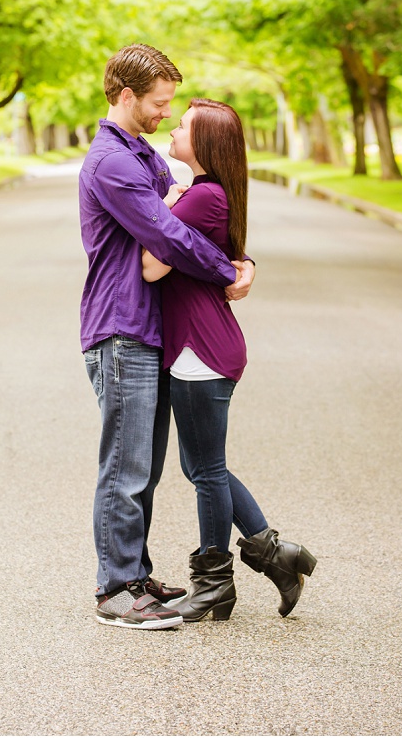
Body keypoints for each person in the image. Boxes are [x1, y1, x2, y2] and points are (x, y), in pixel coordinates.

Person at [79, 44, 256, 630]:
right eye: (159, 104)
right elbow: (169, 240)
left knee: (145, 468)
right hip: (121, 325)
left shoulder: (141, 156)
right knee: (125, 468)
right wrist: (230, 270)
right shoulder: (113, 163)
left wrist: (238, 256)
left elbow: (191, 220)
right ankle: (114, 591)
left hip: (150, 327)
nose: (164, 114)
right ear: (126, 96)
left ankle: (135, 574)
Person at [141, 98, 316, 623]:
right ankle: (276, 557)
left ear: (207, 143)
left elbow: (152, 266)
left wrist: (169, 205)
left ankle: (215, 582)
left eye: (183, 126)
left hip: (201, 348)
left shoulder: (203, 197)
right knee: (202, 466)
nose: (173, 129)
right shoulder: (204, 193)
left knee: (206, 469)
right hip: (201, 345)